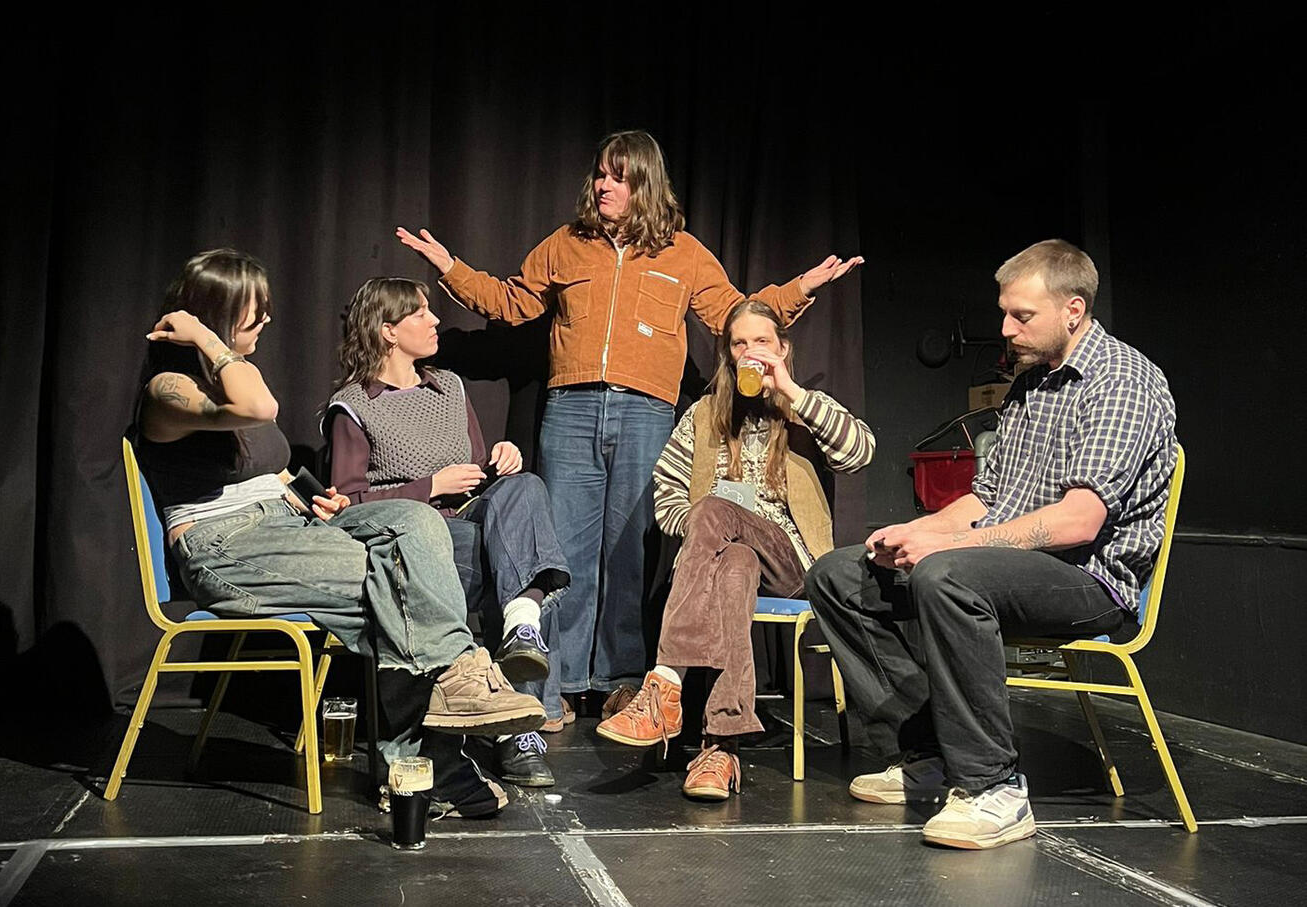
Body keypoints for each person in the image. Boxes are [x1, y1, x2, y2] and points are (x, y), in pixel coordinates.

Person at [396, 129, 863, 723]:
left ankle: (621, 678)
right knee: (564, 551)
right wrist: (449, 267)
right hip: (570, 409)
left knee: (629, 552)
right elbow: (513, 302)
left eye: (617, 175)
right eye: (600, 174)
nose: (602, 184)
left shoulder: (684, 253)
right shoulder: (566, 245)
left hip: (646, 412)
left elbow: (733, 313)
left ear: (644, 182)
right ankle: (556, 685)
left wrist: (800, 289)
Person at [135, 249, 544, 818]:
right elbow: (259, 406)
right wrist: (206, 338)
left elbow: (267, 467)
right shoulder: (168, 391)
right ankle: (438, 736)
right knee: (399, 586)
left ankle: (432, 739)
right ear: (217, 315)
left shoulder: (230, 375)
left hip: (289, 523)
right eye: (255, 311)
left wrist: (309, 497)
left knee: (418, 522)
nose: (268, 320)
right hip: (223, 547)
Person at [805, 240, 1178, 849]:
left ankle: (993, 788)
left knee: (946, 577)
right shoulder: (1028, 388)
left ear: (1074, 310)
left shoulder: (1124, 381)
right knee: (840, 575)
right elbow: (986, 500)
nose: (1005, 329)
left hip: (1090, 578)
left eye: (1021, 316)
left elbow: (1079, 522)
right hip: (1012, 563)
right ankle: (925, 755)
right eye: (1005, 312)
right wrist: (916, 532)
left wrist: (953, 553)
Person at [596, 299, 874, 800]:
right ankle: (720, 748)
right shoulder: (704, 415)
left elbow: (860, 451)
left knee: (718, 513)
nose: (750, 351)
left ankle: (663, 683)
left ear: (782, 348)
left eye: (761, 341)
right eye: (739, 343)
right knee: (734, 562)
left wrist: (787, 388)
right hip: (726, 556)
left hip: (793, 561)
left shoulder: (805, 406)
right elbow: (667, 492)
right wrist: (704, 531)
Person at [324, 276, 571, 787]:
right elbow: (348, 506)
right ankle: (519, 730)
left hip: (474, 522)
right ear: (388, 331)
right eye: (420, 314)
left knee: (523, 488)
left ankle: (523, 627)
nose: (435, 321)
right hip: (419, 545)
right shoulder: (353, 407)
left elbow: (476, 469)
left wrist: (499, 459)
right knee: (502, 558)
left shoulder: (450, 387)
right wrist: (428, 486)